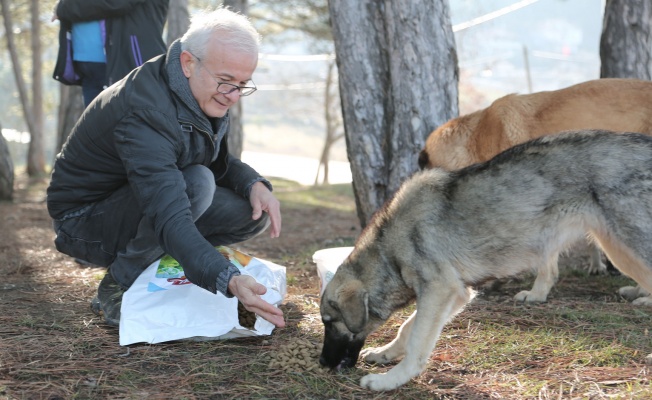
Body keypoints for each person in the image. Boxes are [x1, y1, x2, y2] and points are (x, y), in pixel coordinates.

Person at [46, 7, 286, 330]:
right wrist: (227, 278)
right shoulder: (147, 110)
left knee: (250, 210)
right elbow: (169, 211)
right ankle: (117, 283)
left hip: (138, 199)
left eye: (242, 84)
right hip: (84, 220)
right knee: (197, 185)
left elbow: (214, 162)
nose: (233, 96)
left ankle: (165, 260)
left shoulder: (204, 89)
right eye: (227, 82)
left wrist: (252, 183)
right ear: (188, 63)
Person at [52, 0, 169, 104]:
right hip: (88, 64)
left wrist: (64, 7)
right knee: (95, 125)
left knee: (128, 123)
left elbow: (115, 3)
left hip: (125, 62)